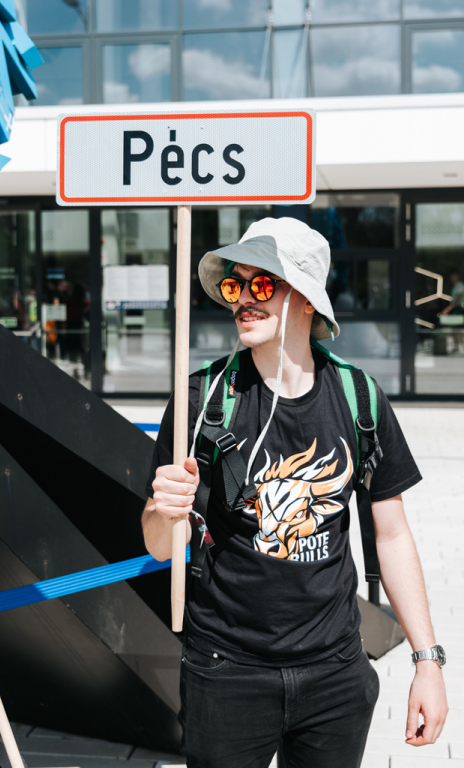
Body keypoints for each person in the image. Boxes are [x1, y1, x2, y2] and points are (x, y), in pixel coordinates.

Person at [142, 218, 448, 768]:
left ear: (306, 299)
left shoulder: (359, 398)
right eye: (235, 285)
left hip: (336, 674)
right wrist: (165, 514)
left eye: (262, 284)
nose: (243, 300)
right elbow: (160, 546)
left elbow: (393, 535)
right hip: (226, 671)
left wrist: (428, 662)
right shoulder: (201, 399)